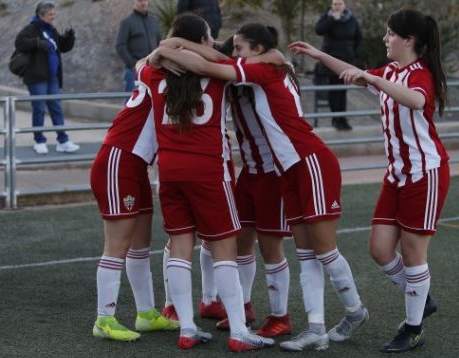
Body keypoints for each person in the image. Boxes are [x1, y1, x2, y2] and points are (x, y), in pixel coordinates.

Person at [151, 22, 369, 352]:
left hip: (305, 163)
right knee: (294, 250)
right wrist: (172, 46)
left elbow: (207, 63)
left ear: (257, 50)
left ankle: (349, 311)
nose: (233, 52)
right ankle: (307, 325)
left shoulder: (267, 68)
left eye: (239, 48)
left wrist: (165, 49)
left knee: (315, 249)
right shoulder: (254, 67)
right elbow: (215, 57)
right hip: (274, 170)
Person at [289, 8, 450, 353]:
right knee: (379, 250)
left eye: (391, 34)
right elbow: (354, 73)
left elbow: (416, 100)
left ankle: (414, 327)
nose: (385, 39)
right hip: (397, 176)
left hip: (426, 173)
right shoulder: (391, 71)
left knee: (412, 252)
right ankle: (422, 298)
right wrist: (318, 54)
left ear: (408, 41)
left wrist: (376, 81)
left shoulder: (420, 74)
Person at [140, 14, 274, 352]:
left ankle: (186, 327)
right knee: (224, 249)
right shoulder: (216, 74)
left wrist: (168, 48)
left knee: (180, 247)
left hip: (169, 172)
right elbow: (226, 61)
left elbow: (143, 64)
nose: (213, 43)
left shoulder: (154, 72)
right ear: (201, 40)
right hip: (209, 171)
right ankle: (239, 331)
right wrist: (193, 48)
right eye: (209, 37)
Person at [90, 71, 179, 342]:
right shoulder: (163, 70)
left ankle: (146, 314)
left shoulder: (166, 71)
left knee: (141, 243)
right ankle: (104, 319)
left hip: (137, 164)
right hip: (120, 160)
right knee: (117, 245)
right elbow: (156, 54)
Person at [14, 1, 79, 155]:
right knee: (39, 109)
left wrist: (69, 37)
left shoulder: (51, 30)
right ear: (41, 15)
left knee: (56, 108)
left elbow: (63, 47)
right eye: (50, 14)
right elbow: (19, 43)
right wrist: (37, 43)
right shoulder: (31, 28)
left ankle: (63, 140)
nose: (53, 16)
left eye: (53, 14)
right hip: (37, 77)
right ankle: (39, 140)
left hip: (52, 77)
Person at [315, 0, 362, 130]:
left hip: (346, 59)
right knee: (335, 89)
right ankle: (337, 119)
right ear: (331, 5)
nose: (337, 6)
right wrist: (332, 19)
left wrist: (355, 53)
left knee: (342, 89)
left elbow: (359, 37)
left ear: (344, 5)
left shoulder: (351, 19)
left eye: (339, 4)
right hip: (330, 59)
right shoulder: (328, 17)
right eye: (335, 4)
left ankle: (342, 118)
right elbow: (318, 30)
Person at [115, 0, 161, 93]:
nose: (143, 3)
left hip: (153, 69)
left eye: (145, 0)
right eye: (140, 1)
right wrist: (133, 64)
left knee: (151, 101)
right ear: (133, 2)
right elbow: (120, 46)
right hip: (134, 71)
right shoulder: (127, 22)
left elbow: (159, 43)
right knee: (131, 101)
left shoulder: (154, 21)